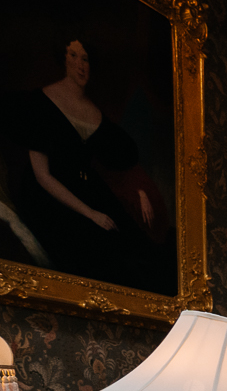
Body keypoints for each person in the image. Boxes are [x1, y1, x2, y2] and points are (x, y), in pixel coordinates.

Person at [13, 37, 171, 292]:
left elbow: (119, 163)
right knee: (99, 247)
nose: (80, 64)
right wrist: (91, 213)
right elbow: (42, 176)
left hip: (85, 188)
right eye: (73, 56)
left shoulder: (93, 110)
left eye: (85, 58)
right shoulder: (41, 102)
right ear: (62, 59)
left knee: (140, 249)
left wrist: (138, 190)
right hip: (49, 197)